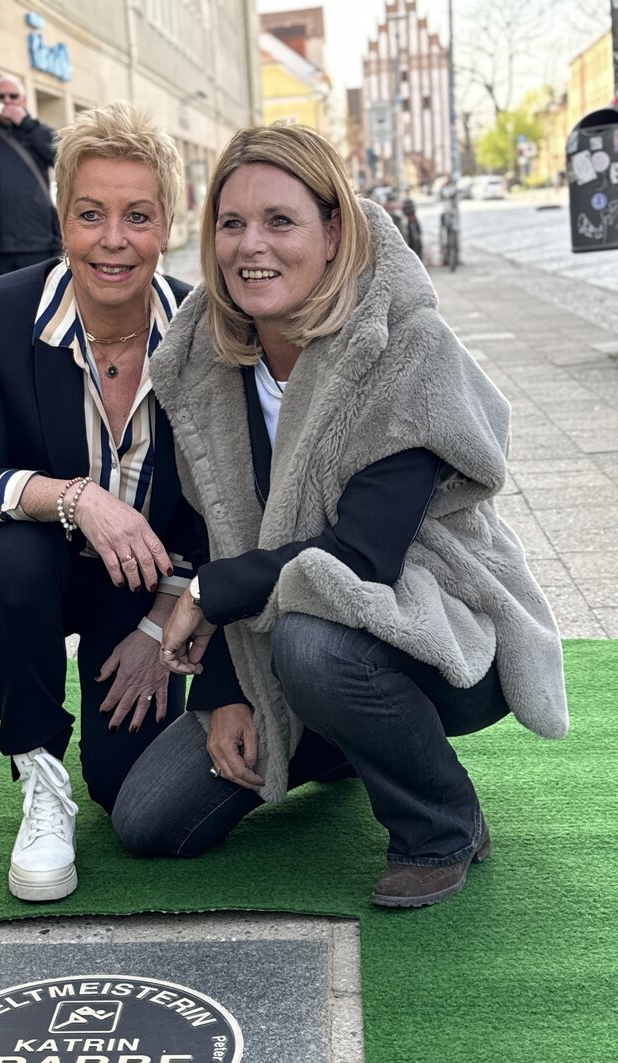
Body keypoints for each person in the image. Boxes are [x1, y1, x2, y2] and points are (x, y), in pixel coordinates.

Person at [111, 122, 569, 909]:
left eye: (280, 221)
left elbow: (360, 557)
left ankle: (439, 821)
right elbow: (223, 533)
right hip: (278, 637)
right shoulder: (209, 365)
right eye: (231, 222)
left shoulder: (401, 349)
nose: (251, 246)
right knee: (152, 821)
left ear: (332, 231)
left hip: (440, 632)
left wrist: (204, 597)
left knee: (315, 643)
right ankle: (357, 738)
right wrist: (225, 690)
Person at [0, 102, 198, 903]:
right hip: (36, 562)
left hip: (143, 585)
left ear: (167, 225)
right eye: (91, 214)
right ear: (62, 219)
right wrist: (79, 500)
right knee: (8, 554)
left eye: (137, 216)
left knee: (127, 793)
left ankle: (329, 748)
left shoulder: (206, 333)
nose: (113, 240)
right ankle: (40, 776)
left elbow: (233, 504)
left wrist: (163, 621)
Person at [0, 75, 62, 279]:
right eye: (1, 96)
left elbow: (63, 155)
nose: (7, 101)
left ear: (23, 101)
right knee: (2, 307)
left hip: (37, 243)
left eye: (13, 96)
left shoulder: (36, 134)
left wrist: (27, 123)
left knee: (38, 305)